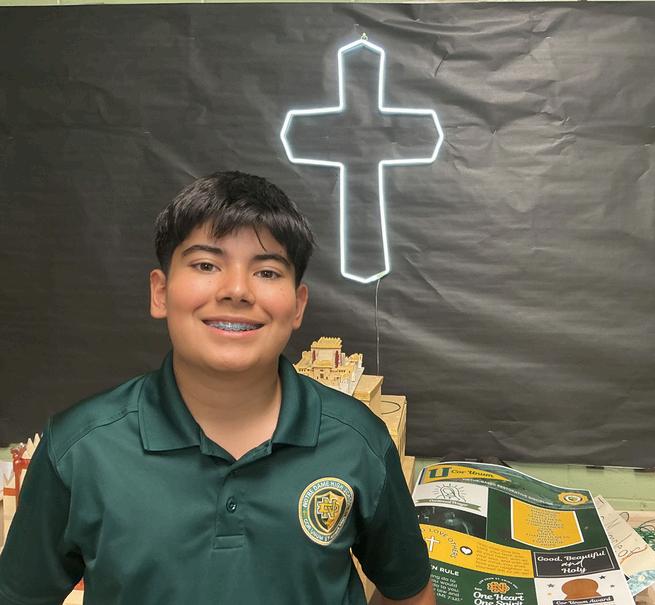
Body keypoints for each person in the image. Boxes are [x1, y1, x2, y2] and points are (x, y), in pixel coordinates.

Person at [0, 171, 435, 605]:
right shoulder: (79, 450)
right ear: (160, 292)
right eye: (206, 265)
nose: (237, 290)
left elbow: (408, 593)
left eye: (267, 271)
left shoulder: (358, 441)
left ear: (298, 305)